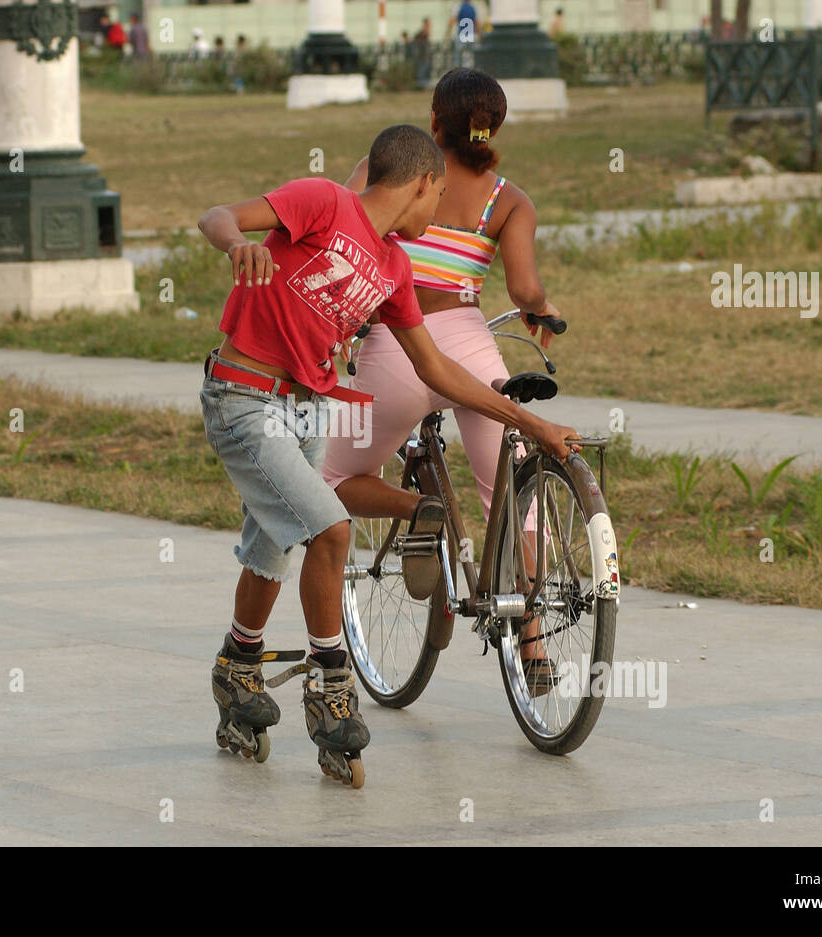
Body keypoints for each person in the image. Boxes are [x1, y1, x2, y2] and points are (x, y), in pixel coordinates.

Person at [197, 125, 577, 787]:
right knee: (330, 528)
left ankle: (238, 665)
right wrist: (239, 245)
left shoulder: (396, 267)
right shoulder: (321, 201)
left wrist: (528, 422)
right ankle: (330, 685)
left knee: (272, 547)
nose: (440, 212)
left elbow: (437, 366)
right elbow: (218, 215)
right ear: (424, 182)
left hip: (307, 409)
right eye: (440, 195)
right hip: (244, 400)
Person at [322, 69, 575, 694]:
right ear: (496, 127)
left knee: (329, 479)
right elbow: (522, 289)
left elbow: (343, 236)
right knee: (513, 490)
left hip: (395, 345)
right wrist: (540, 308)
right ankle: (534, 636)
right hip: (472, 352)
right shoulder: (509, 201)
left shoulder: (393, 171)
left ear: (434, 122)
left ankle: (420, 509)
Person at [451, 0, 478, 65]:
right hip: (471, 36)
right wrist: (479, 34)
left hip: (461, 35)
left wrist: (448, 33)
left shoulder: (458, 6)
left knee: (458, 58)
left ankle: (459, 72)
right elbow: (477, 22)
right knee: (470, 57)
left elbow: (453, 20)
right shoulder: (473, 7)